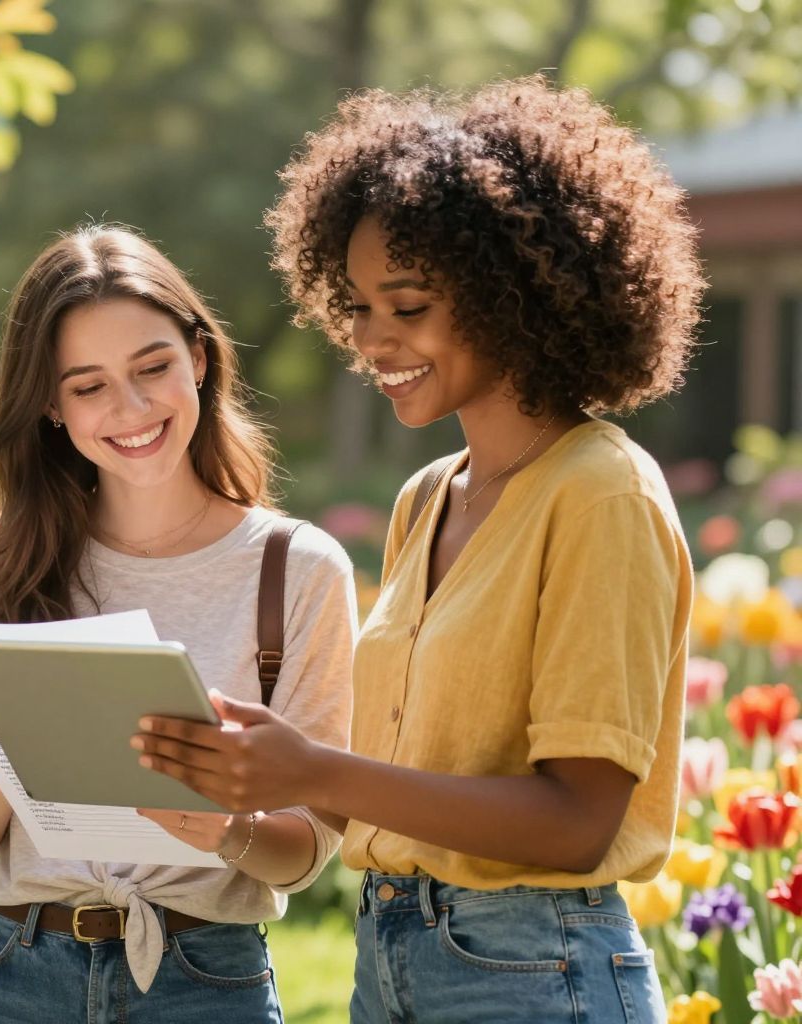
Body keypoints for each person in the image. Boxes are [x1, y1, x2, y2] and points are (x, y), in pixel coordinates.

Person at [132, 77, 702, 1023]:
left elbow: (577, 821)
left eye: (407, 304)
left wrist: (311, 769)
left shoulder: (603, 493)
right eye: (356, 307)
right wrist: (237, 788)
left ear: (511, 293)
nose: (373, 340)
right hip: (392, 952)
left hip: (535, 969)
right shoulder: (427, 498)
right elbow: (403, 787)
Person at [0, 224, 356, 1022]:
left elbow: (309, 846)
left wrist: (227, 829)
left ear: (200, 361)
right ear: (49, 403)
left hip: (205, 978)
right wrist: (26, 745)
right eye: (89, 386)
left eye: (153, 368)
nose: (132, 408)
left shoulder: (300, 570)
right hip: (11, 973)